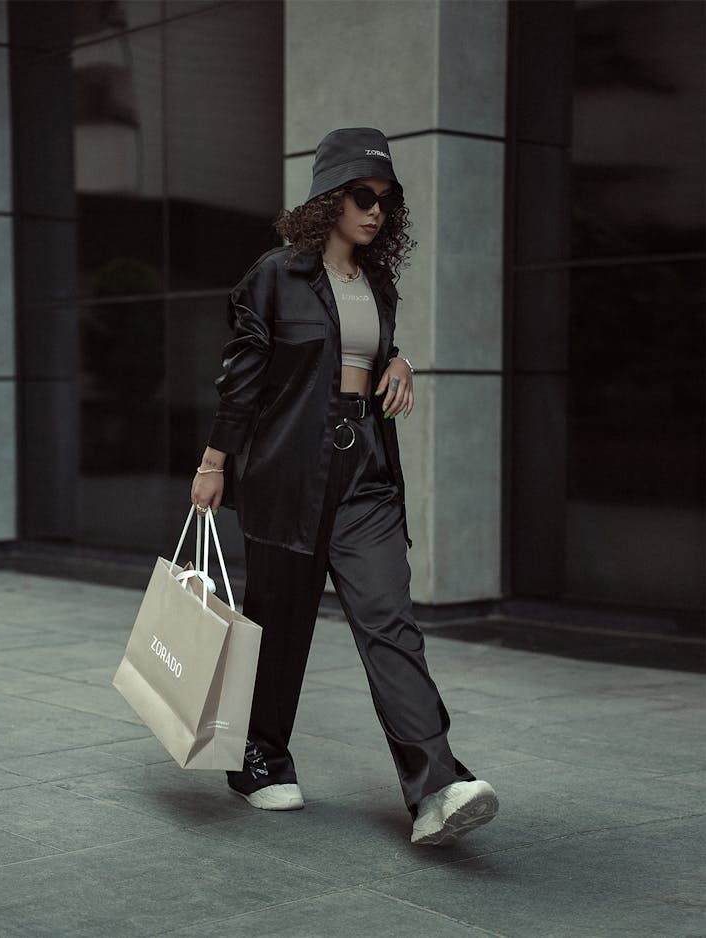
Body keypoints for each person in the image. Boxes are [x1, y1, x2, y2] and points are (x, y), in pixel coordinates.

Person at [191, 128, 498, 845]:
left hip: (366, 470)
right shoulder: (274, 275)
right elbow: (242, 379)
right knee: (281, 623)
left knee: (390, 619)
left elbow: (369, 351)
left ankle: (436, 786)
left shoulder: (377, 281)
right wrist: (213, 464)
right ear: (328, 197)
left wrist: (403, 362)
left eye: (387, 202)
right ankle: (259, 757)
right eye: (364, 196)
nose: (376, 212)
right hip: (288, 473)